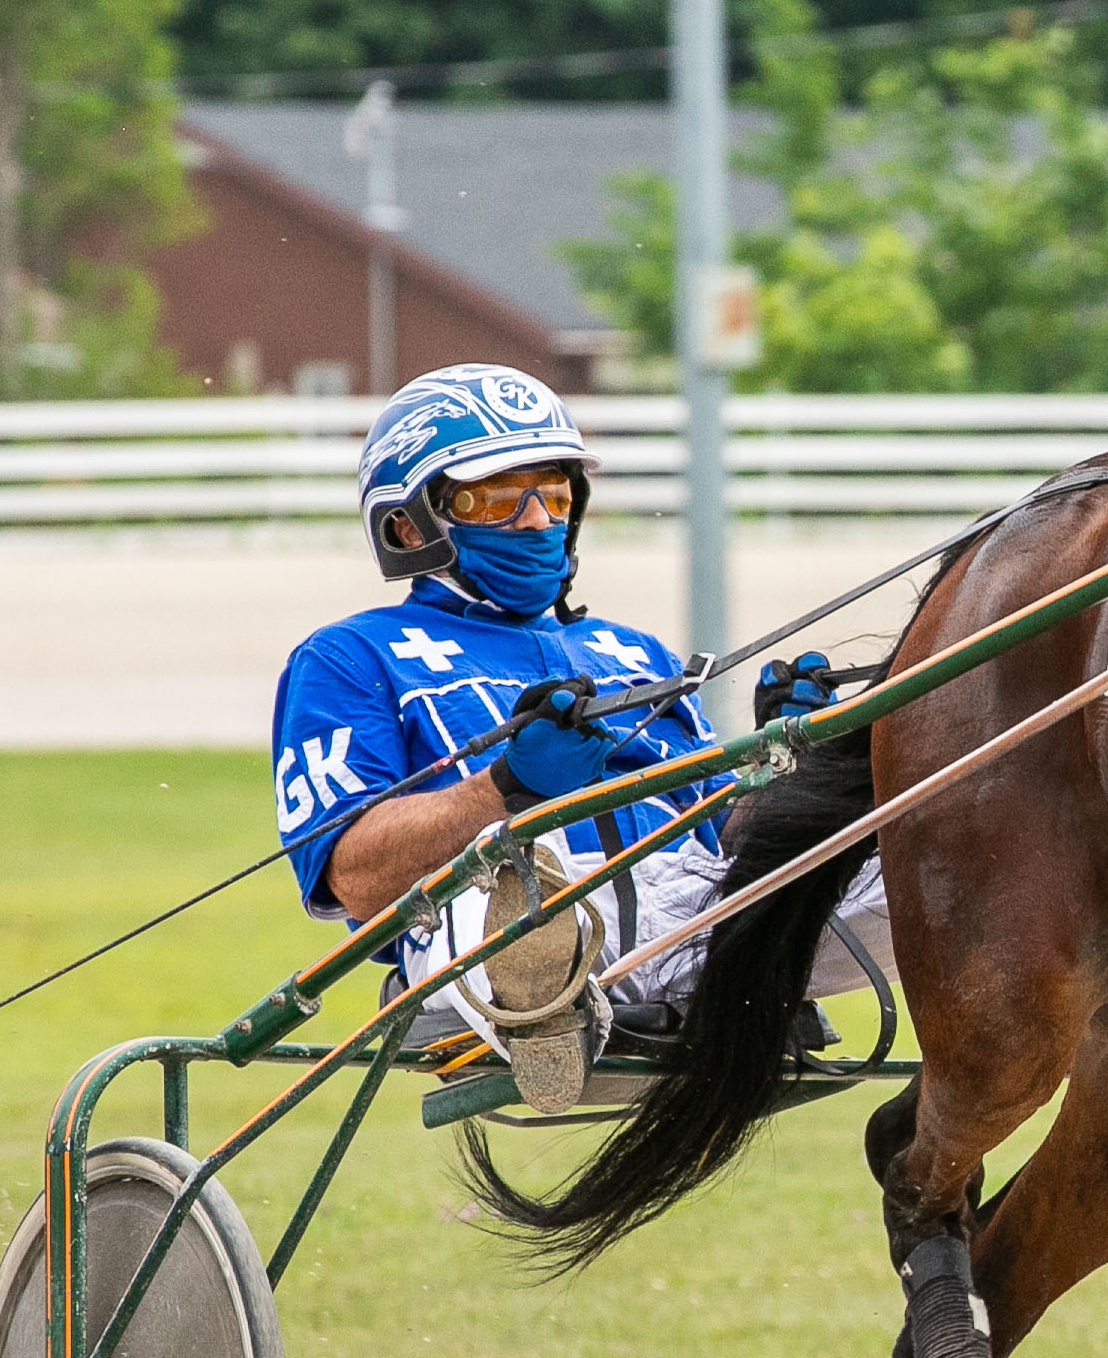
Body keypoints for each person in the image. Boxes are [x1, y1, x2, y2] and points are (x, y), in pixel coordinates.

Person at [269, 362, 883, 1109]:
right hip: (496, 910)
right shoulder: (349, 656)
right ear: (409, 524)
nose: (536, 519)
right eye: (497, 497)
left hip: (700, 921)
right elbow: (353, 874)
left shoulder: (637, 652)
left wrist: (806, 766)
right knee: (509, 891)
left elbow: (726, 836)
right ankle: (547, 997)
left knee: (931, 835)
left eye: (553, 493)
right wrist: (506, 789)